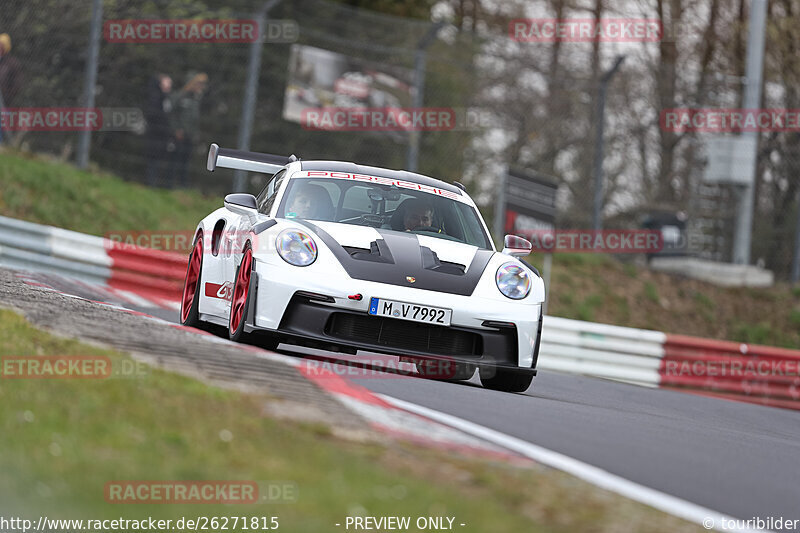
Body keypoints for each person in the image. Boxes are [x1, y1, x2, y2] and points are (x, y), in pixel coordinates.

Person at [168, 72, 207, 188]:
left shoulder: (196, 99)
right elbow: (172, 114)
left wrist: (195, 134)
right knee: (175, 161)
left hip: (190, 136)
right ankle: (170, 185)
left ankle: (182, 187)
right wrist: (176, 129)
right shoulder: (180, 96)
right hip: (179, 135)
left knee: (186, 162)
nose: (200, 86)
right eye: (198, 83)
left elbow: (195, 119)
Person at [144, 74, 172, 187]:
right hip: (155, 134)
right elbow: (153, 115)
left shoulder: (167, 99)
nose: (169, 86)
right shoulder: (156, 97)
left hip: (162, 135)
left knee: (159, 159)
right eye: (166, 84)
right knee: (153, 159)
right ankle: (151, 183)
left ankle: (157, 184)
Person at [0, 33, 23, 144]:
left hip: (5, 102)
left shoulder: (12, 64)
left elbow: (17, 85)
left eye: (1, 46)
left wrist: (7, 96)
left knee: (2, 126)